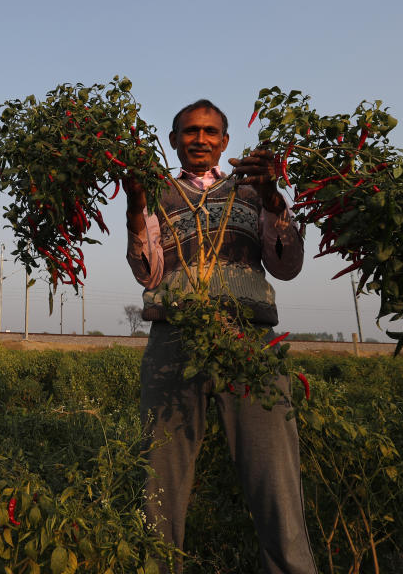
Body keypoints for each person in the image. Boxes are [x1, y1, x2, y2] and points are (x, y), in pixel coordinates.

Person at [124, 99, 317, 573]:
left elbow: (287, 267)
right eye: (190, 131)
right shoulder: (157, 193)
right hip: (175, 340)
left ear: (226, 142)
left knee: (275, 480)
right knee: (159, 478)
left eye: (211, 132)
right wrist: (135, 205)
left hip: (250, 341)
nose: (201, 140)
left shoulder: (255, 191)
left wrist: (275, 200)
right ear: (173, 140)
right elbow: (148, 275)